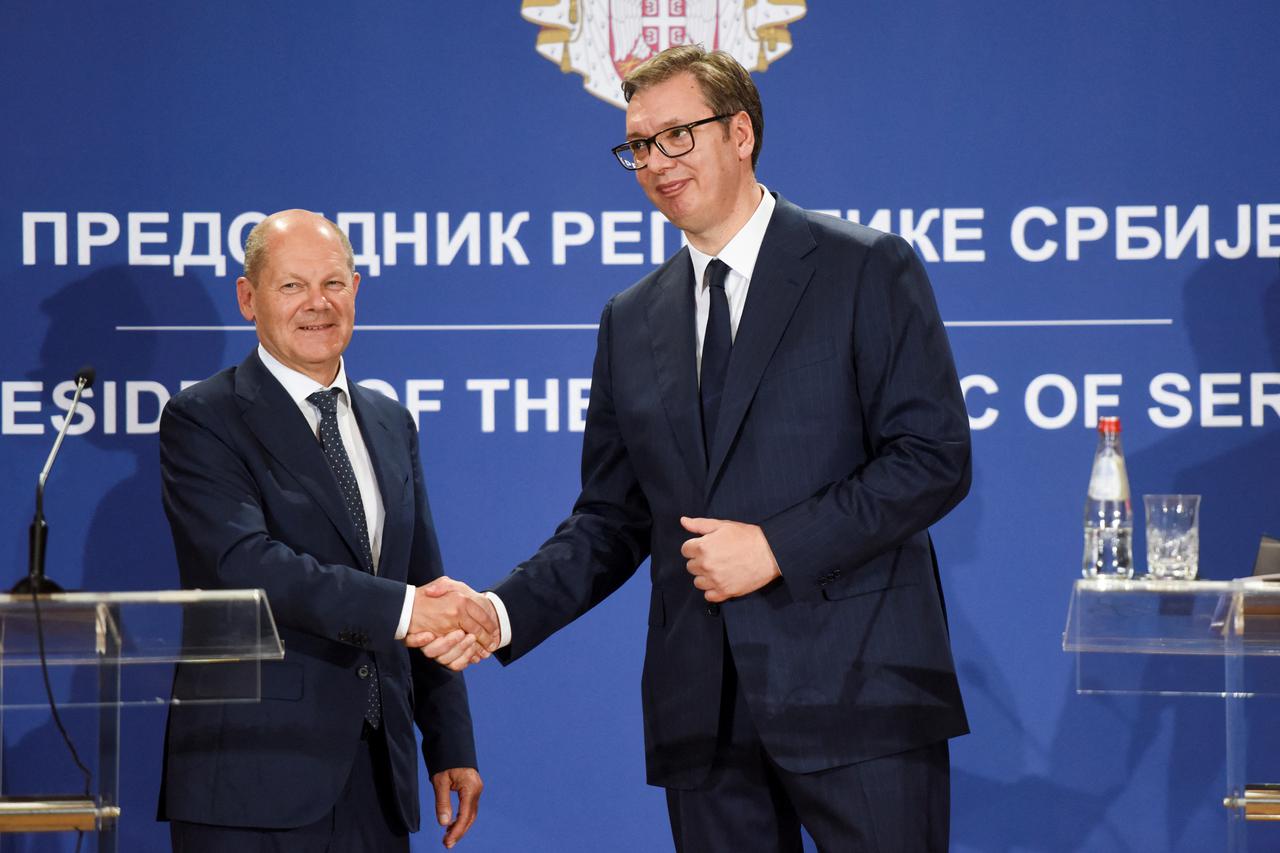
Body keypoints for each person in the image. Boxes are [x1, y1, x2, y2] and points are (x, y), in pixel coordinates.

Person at [426, 44, 972, 851]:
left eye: (677, 135)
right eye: (638, 146)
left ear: (740, 133)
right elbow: (610, 520)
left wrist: (776, 547)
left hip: (859, 694)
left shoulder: (864, 267)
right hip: (703, 720)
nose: (654, 163)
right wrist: (499, 611)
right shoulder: (631, 317)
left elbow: (932, 456)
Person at [157, 209, 496, 851]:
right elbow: (244, 565)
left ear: (357, 290)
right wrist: (406, 610)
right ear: (248, 298)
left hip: (376, 776)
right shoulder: (204, 418)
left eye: (333, 284)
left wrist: (450, 742)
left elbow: (425, 583)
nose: (317, 304)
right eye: (292, 286)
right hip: (255, 778)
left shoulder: (390, 421)